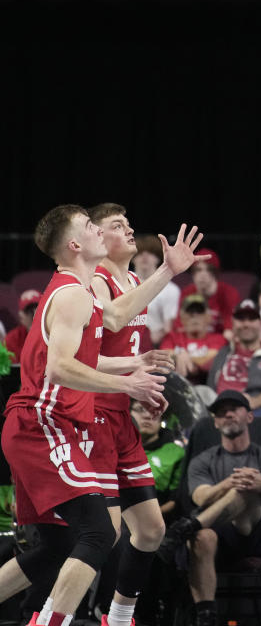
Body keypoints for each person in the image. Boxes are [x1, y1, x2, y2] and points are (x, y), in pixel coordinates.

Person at [0, 206, 201, 626]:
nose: (110, 231)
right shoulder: (78, 291)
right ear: (77, 243)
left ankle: (112, 616)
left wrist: (135, 366)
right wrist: (131, 383)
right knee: (99, 532)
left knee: (62, 546)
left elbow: (97, 337)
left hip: (55, 420)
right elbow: (59, 367)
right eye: (95, 226)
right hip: (51, 421)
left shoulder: (80, 290)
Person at [89, 202, 189, 626]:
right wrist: (167, 272)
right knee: (101, 534)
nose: (129, 230)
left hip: (121, 412)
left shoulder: (132, 279)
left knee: (150, 529)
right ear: (96, 237)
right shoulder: (94, 281)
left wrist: (142, 385)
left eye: (129, 223)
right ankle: (56, 612)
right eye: (117, 225)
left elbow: (127, 351)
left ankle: (118, 616)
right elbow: (106, 331)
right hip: (88, 414)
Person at [157, 390, 261, 626]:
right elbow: (200, 497)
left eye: (234, 409)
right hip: (216, 535)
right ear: (215, 422)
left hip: (253, 534)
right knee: (203, 535)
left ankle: (185, 528)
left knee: (249, 486)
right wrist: (229, 483)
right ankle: (206, 615)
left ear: (249, 416)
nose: (227, 415)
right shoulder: (203, 460)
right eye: (221, 412)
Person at [207, 300, 261, 413]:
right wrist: (181, 356)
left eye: (251, 319)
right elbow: (197, 365)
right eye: (241, 319)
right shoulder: (223, 352)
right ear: (233, 323)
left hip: (256, 414)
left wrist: (253, 402)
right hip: (217, 412)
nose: (246, 324)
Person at [130, 400, 184, 520]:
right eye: (140, 409)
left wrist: (148, 518)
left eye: (155, 412)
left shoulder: (176, 453)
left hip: (149, 521)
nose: (148, 416)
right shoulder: (111, 444)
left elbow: (176, 499)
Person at [160, 294, 228, 385]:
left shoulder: (219, 339)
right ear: (182, 317)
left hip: (206, 386)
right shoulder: (172, 337)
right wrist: (178, 356)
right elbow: (162, 357)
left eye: (199, 312)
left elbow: (214, 361)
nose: (195, 317)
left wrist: (183, 357)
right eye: (190, 313)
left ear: (208, 317)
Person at [133, 235, 181, 347]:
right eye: (139, 253)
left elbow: (170, 327)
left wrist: (153, 338)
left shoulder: (170, 290)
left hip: (155, 345)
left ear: (159, 258)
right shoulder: (120, 283)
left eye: (150, 252)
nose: (144, 256)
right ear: (132, 258)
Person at [180, 250, 239, 336]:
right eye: (198, 270)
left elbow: (231, 323)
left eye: (208, 270)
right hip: (195, 339)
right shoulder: (187, 292)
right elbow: (180, 323)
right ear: (193, 273)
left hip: (220, 340)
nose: (202, 274)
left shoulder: (228, 293)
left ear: (215, 273)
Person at [3, 290, 40, 363]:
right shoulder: (12, 338)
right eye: (28, 310)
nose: (33, 314)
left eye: (37, 308)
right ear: (20, 315)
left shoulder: (52, 335)